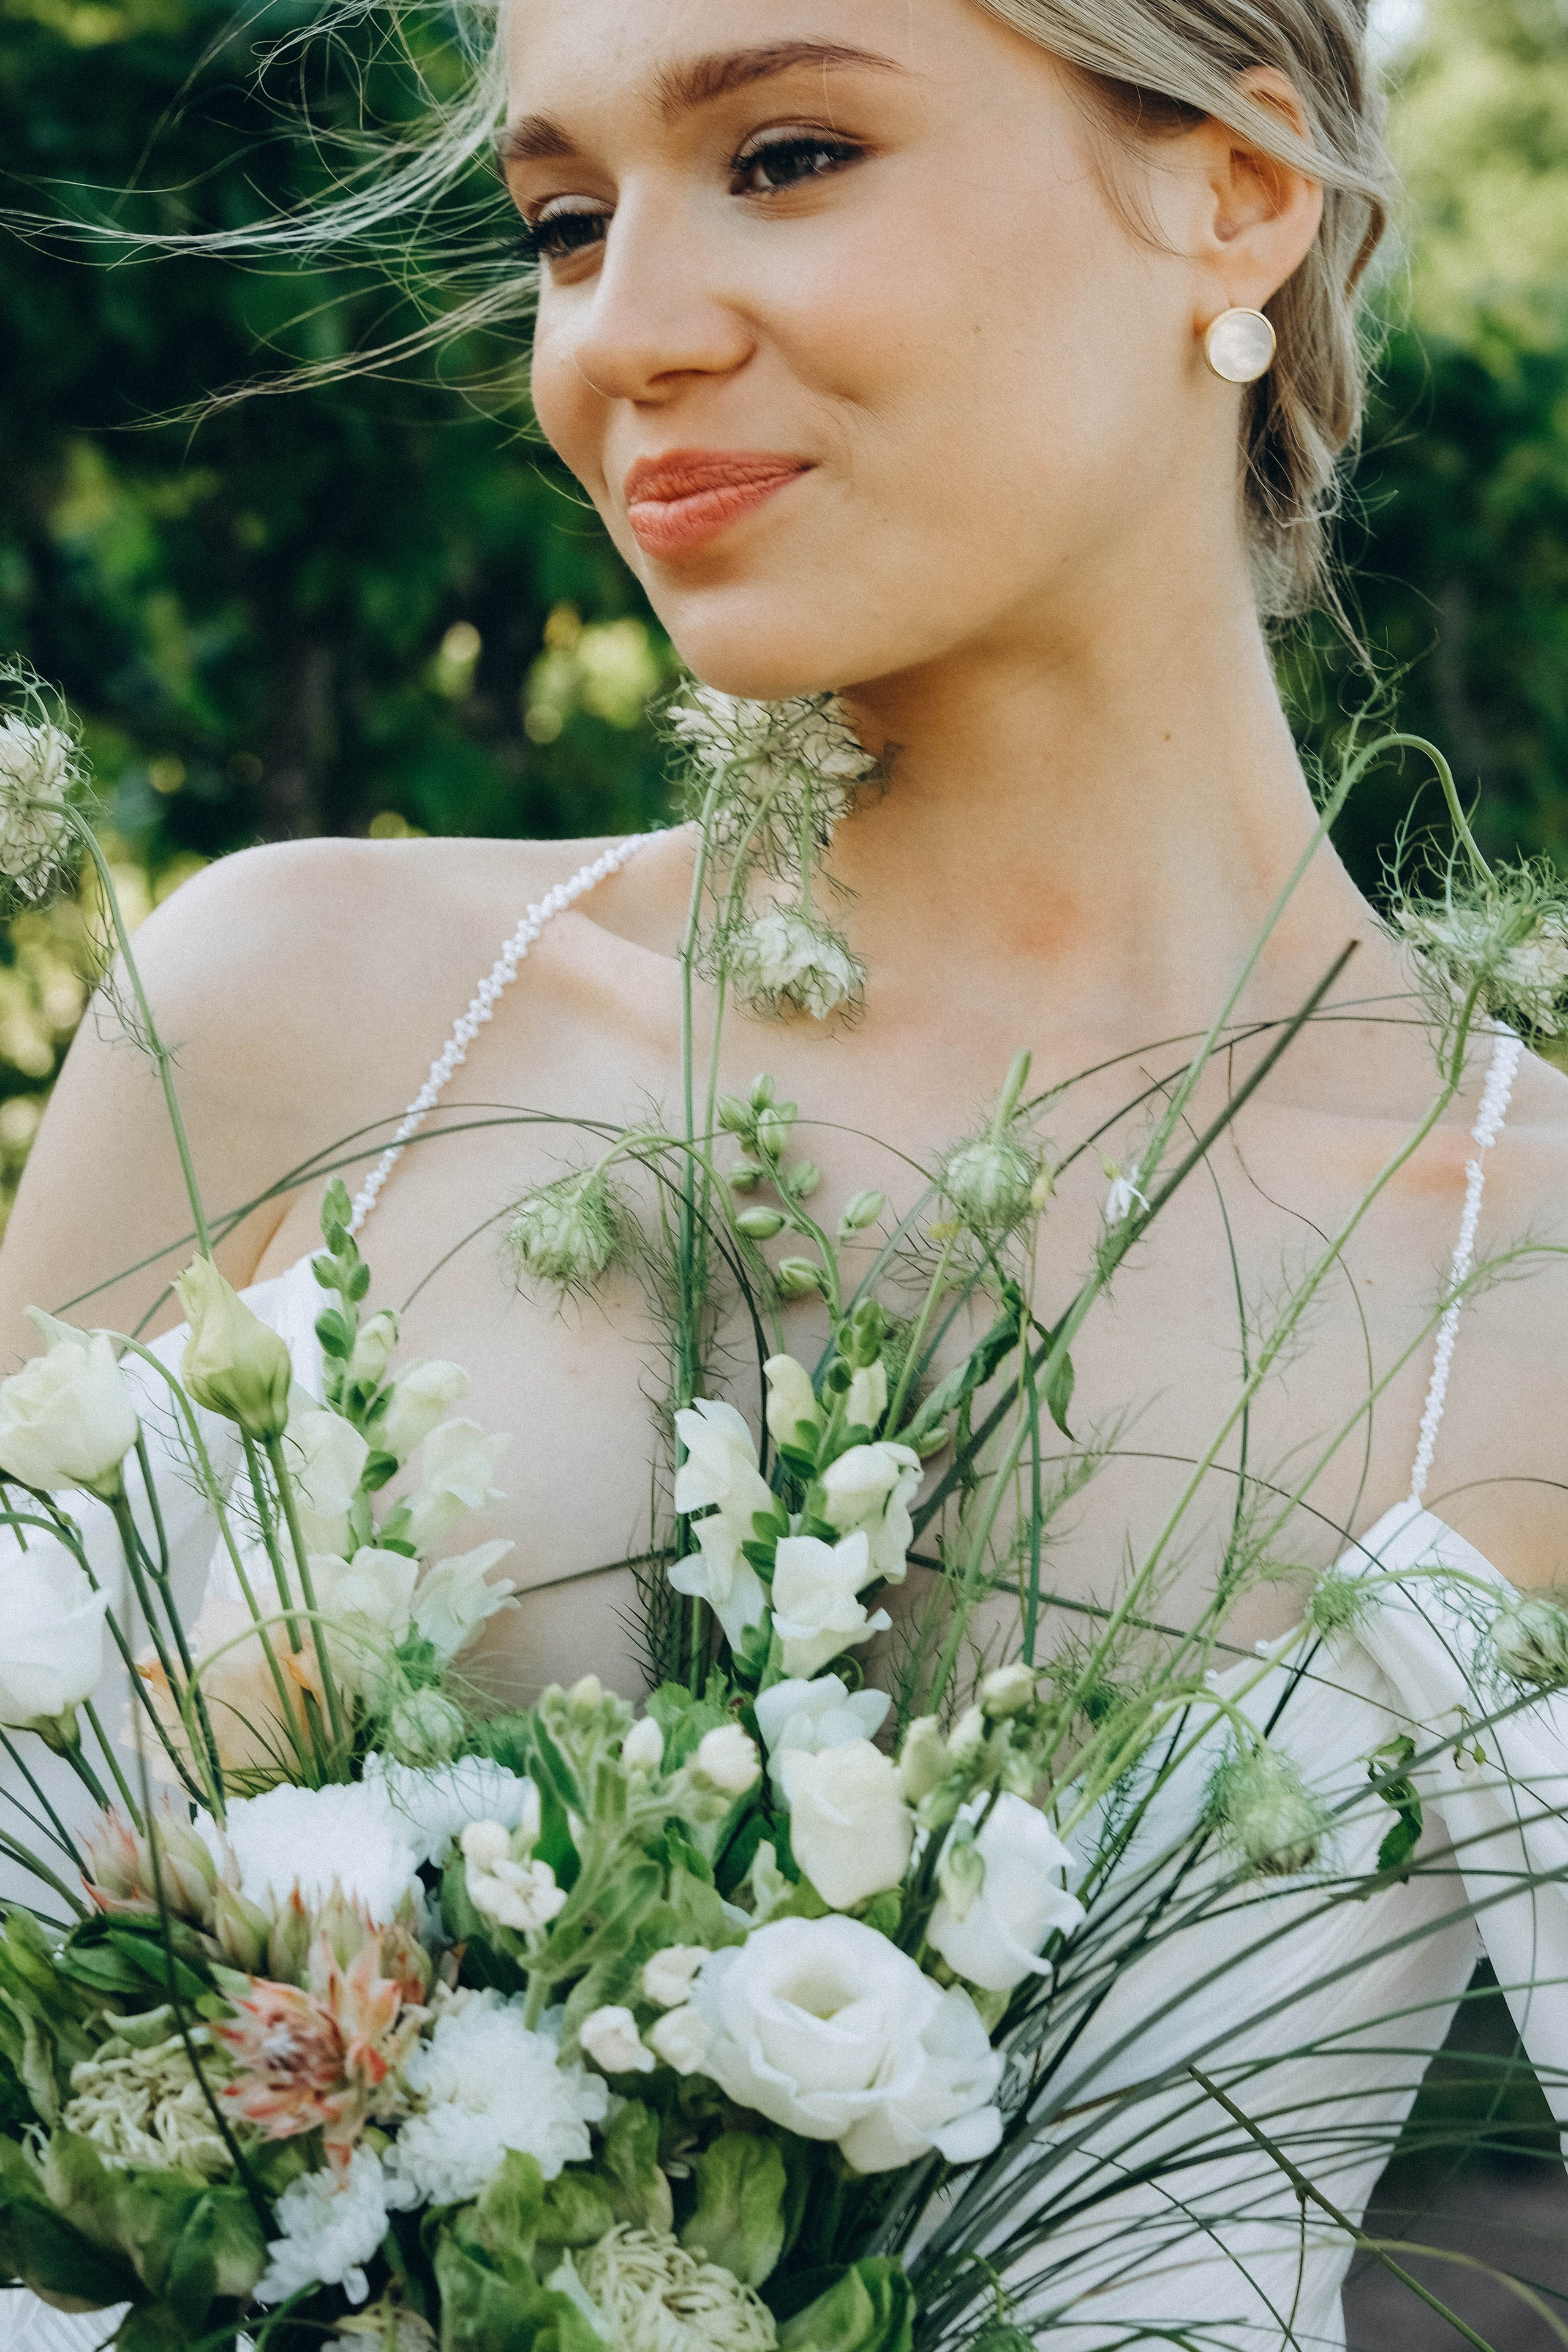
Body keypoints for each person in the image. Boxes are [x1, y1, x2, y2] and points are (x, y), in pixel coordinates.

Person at [1, 0, 1566, 2343]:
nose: (621, 334)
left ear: (1239, 188)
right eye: (561, 220)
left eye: (793, 152)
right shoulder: (292, 1020)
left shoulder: (1533, 1259)